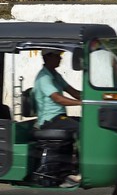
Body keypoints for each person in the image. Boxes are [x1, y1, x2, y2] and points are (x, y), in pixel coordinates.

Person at [31, 50, 81, 185]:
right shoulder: (44, 78)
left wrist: (95, 98)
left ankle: (71, 168)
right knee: (83, 129)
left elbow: (74, 92)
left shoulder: (54, 75)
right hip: (50, 121)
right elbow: (58, 99)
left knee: (89, 123)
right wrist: (81, 103)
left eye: (60, 56)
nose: (60, 59)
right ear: (47, 57)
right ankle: (78, 170)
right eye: (57, 56)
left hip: (59, 118)